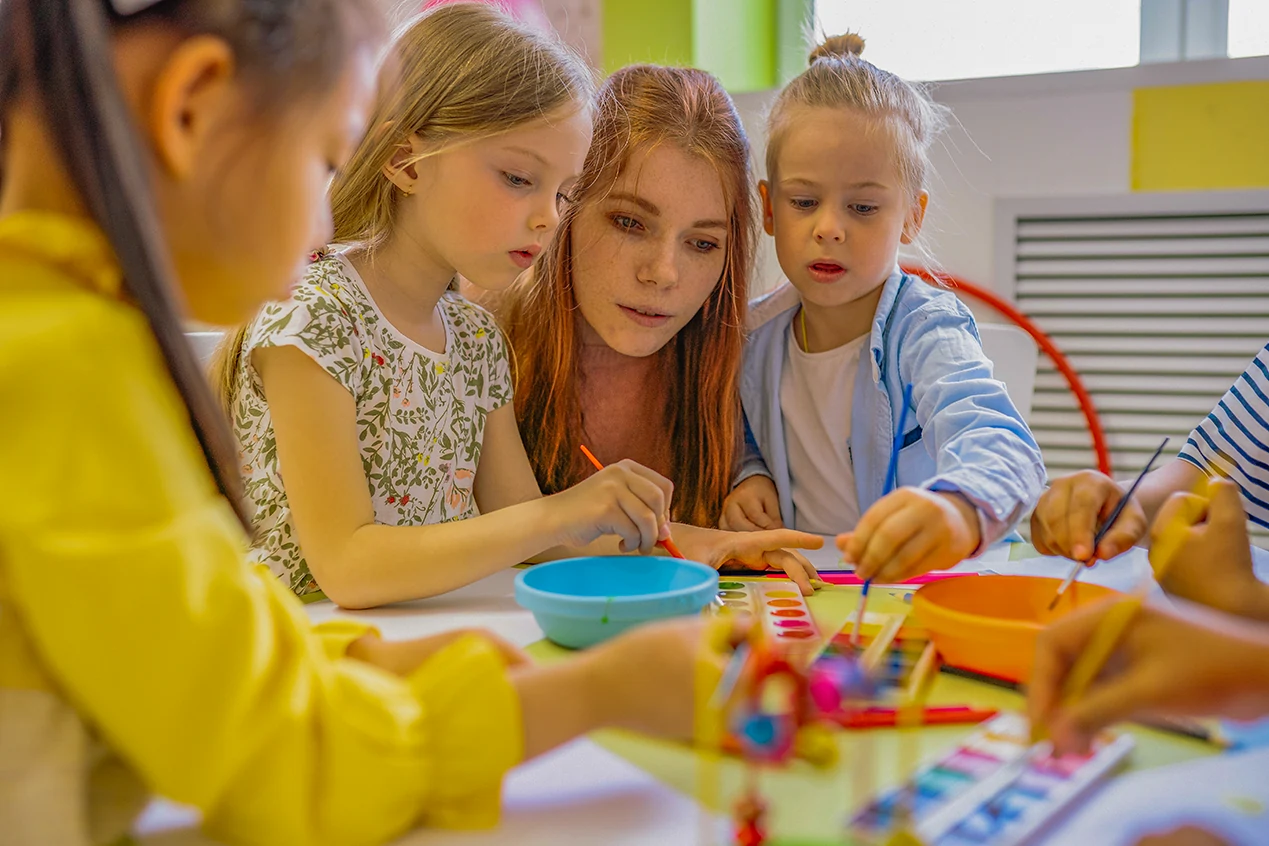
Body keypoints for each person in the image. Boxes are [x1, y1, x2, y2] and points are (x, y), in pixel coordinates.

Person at [0, 1, 743, 842]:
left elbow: (188, 639)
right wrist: (591, 693)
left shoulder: (63, 343)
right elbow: (291, 759)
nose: (323, 221)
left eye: (563, 192)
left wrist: (365, 660)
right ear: (190, 107)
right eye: (323, 158)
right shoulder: (67, 372)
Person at [721, 33, 1044, 584]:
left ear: (911, 217)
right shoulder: (752, 334)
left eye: (863, 207)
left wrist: (957, 509)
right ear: (769, 208)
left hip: (930, 586)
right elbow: (744, 435)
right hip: (816, 585)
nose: (828, 228)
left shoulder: (927, 331)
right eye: (803, 202)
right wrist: (747, 476)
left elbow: (1004, 446)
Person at [497, 63, 825, 593]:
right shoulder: (482, 342)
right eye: (629, 222)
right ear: (568, 205)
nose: (663, 274)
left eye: (702, 243)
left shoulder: (747, 367)